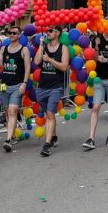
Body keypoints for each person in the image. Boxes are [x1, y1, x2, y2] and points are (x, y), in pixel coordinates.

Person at [83, 30, 108, 150]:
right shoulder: (97, 39)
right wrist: (96, 47)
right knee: (95, 107)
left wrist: (106, 60)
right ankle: (91, 138)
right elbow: (94, 60)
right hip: (98, 78)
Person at [34, 24, 69, 157]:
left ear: (58, 33)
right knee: (49, 114)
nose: (47, 32)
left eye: (50, 31)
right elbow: (37, 61)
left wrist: (50, 60)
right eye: (47, 30)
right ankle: (53, 136)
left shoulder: (63, 48)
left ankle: (47, 145)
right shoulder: (43, 46)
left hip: (55, 86)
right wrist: (41, 45)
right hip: (42, 86)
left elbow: (64, 67)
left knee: (49, 114)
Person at [0, 26, 30, 152]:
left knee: (12, 111)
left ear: (19, 35)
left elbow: (27, 67)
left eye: (14, 33)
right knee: (7, 111)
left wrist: (24, 83)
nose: (11, 34)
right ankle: (13, 134)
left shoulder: (24, 49)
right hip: (4, 84)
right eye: (10, 32)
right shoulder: (3, 49)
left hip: (17, 85)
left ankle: (8, 140)